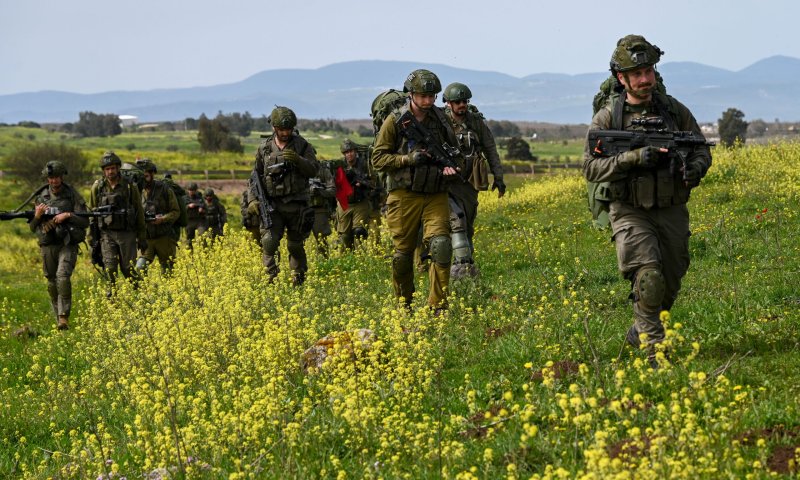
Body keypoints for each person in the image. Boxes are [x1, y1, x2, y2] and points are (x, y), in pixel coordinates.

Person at [582, 35, 712, 366]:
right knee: (649, 278)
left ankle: (640, 328)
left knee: (668, 283)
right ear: (621, 78)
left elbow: (700, 148)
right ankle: (655, 352)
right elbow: (591, 168)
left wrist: (693, 168)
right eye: (636, 73)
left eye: (649, 71)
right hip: (629, 210)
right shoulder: (608, 118)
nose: (645, 79)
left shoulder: (673, 111)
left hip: (671, 208)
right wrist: (634, 158)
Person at [371, 69, 460, 312]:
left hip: (435, 193)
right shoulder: (395, 121)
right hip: (404, 194)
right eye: (423, 96)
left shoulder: (441, 119)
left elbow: (453, 152)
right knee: (403, 254)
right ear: (411, 94)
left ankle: (437, 306)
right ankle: (404, 304)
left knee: (441, 245)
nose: (428, 101)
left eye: (432, 96)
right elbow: (378, 159)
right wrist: (408, 159)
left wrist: (449, 167)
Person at [247, 106, 320, 286]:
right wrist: (252, 200)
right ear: (274, 128)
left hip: (297, 205)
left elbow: (313, 170)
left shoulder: (303, 146)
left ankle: (298, 279)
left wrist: (298, 160)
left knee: (295, 245)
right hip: (273, 206)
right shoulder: (264, 149)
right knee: (269, 242)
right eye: (281, 129)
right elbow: (254, 177)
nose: (285, 133)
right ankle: (271, 278)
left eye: (288, 129)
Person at [442, 82, 506, 279]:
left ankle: (467, 263)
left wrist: (499, 177)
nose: (462, 105)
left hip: (470, 182)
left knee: (468, 224)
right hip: (447, 182)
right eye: (458, 101)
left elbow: (490, 149)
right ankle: (458, 266)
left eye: (465, 101)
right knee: (456, 222)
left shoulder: (476, 122)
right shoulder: (440, 122)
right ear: (449, 103)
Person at [28, 161, 89, 330]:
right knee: (51, 282)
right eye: (51, 178)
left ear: (62, 177)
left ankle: (64, 317)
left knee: (62, 277)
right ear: (47, 179)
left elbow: (85, 221)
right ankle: (58, 317)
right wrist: (38, 216)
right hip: (48, 244)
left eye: (56, 177)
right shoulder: (40, 197)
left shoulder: (72, 195)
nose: (54, 181)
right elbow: (33, 227)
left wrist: (67, 215)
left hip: (67, 242)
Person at [89, 151, 146, 291]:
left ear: (118, 168)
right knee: (110, 268)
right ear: (103, 171)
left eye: (113, 168)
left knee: (128, 268)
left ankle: (140, 292)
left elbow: (139, 211)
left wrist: (142, 237)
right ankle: (112, 299)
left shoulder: (129, 186)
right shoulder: (98, 187)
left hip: (127, 233)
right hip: (107, 234)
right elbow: (92, 213)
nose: (110, 172)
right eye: (107, 169)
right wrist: (91, 236)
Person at [136, 158, 180, 272]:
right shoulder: (136, 191)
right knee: (139, 268)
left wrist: (163, 219)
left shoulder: (164, 189)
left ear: (152, 174)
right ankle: (143, 290)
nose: (144, 180)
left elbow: (176, 211)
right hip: (146, 238)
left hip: (164, 237)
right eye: (142, 177)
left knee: (168, 272)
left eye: (146, 176)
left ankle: (167, 290)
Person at [335, 139, 379, 251]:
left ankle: (360, 257)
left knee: (359, 233)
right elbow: (332, 185)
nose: (349, 154)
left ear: (355, 152)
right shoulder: (339, 165)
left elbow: (374, 183)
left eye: (351, 151)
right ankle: (347, 259)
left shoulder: (365, 165)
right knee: (344, 237)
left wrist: (362, 183)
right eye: (346, 152)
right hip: (345, 203)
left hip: (360, 202)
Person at [308, 161, 336, 257]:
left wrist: (320, 191)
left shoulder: (323, 170)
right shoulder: (297, 169)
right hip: (300, 209)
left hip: (318, 209)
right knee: (296, 242)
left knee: (321, 241)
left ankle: (324, 263)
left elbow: (332, 190)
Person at [184, 182, 207, 247]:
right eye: (190, 190)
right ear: (188, 190)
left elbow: (205, 207)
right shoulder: (184, 198)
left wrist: (202, 209)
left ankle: (204, 253)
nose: (191, 192)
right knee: (189, 239)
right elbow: (181, 209)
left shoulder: (200, 197)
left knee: (202, 236)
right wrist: (188, 206)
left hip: (199, 220)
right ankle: (190, 255)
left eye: (193, 190)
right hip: (189, 221)